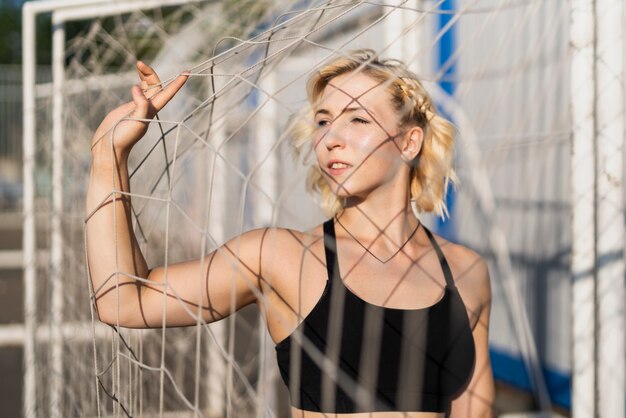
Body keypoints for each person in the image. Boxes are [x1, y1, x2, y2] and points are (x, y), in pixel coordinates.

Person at [86, 49, 495, 418]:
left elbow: (473, 411)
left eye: (357, 118)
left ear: (409, 142)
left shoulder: (465, 271)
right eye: (323, 120)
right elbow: (123, 301)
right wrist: (108, 153)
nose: (331, 138)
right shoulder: (282, 255)